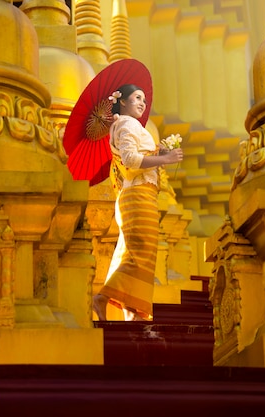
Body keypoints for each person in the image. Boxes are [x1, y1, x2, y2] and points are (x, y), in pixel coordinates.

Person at [92, 84, 183, 321]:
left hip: (140, 194)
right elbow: (131, 160)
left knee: (137, 252)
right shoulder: (127, 124)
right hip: (138, 196)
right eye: (137, 98)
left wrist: (158, 154)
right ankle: (103, 297)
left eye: (143, 98)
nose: (142, 103)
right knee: (140, 254)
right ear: (122, 102)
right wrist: (165, 157)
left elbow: (135, 160)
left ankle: (131, 309)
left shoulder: (128, 125)